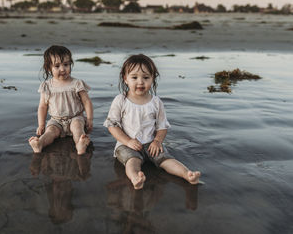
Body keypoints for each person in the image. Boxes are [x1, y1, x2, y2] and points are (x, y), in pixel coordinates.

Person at [104, 54, 200, 190]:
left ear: (153, 78)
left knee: (166, 159)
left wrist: (157, 141)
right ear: (125, 79)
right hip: (126, 144)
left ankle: (188, 175)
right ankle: (135, 178)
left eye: (146, 77)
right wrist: (128, 141)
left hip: (151, 143)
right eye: (134, 77)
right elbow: (112, 125)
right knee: (132, 161)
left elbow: (162, 127)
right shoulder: (121, 100)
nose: (140, 82)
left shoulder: (156, 102)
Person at [28, 45, 93, 154]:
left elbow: (87, 101)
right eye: (57, 66)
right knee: (50, 132)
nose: (62, 69)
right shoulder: (46, 86)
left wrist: (90, 119)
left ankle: (80, 145)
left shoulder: (76, 83)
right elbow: (42, 106)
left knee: (77, 129)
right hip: (56, 120)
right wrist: (41, 124)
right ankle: (39, 144)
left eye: (66, 65)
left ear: (70, 64)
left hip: (75, 117)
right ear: (49, 68)